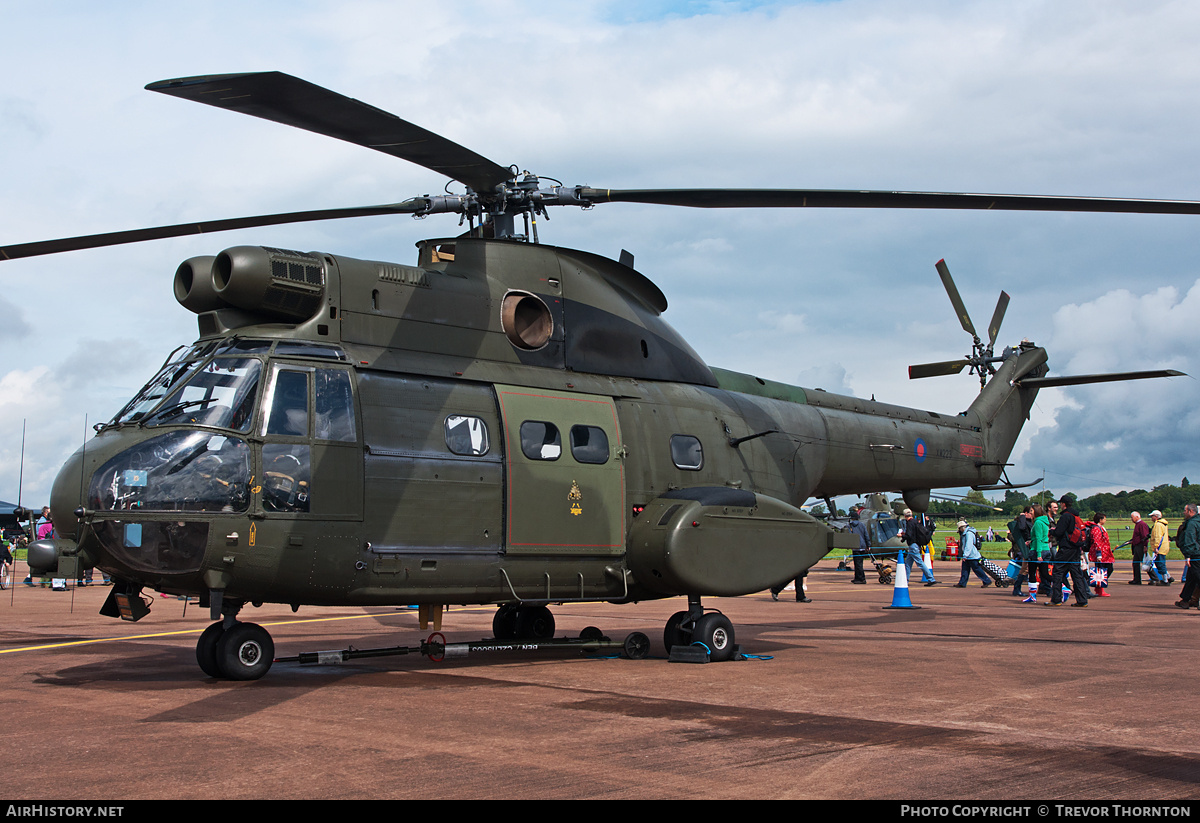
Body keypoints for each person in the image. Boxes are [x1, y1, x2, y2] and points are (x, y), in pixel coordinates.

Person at [1048, 495, 1089, 607]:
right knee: (1076, 574)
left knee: (1057, 572)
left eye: (1061, 504)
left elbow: (1059, 532)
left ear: (1064, 504)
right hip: (1075, 548)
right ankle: (1082, 600)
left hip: (1066, 548)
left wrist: (1052, 531)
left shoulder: (1065, 516)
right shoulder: (1076, 515)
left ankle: (1056, 599)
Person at [898, 508, 939, 586]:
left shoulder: (909, 523)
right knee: (908, 564)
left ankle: (931, 579)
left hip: (913, 546)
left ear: (905, 515)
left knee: (920, 563)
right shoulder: (915, 522)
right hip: (916, 545)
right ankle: (905, 580)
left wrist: (902, 536)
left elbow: (909, 535)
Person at [1174, 503, 1200, 609]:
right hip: (1197, 553)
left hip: (1195, 554)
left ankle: (1188, 599)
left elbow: (1190, 539)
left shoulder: (1192, 524)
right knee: (1191, 578)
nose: (1184, 513)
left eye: (1185, 511)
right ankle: (1186, 599)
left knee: (1197, 577)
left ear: (1190, 511)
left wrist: (1188, 555)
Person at [1024, 504, 1051, 603]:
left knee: (1032, 573)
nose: (1030, 513)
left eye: (1031, 511)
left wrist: (1039, 554)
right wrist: (1032, 542)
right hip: (1045, 548)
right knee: (1044, 574)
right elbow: (1041, 538)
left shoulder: (1038, 523)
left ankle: (1032, 596)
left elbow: (1039, 539)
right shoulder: (1044, 522)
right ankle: (1062, 586)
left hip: (1037, 551)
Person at [954, 520, 990, 587]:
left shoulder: (969, 534)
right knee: (965, 570)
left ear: (962, 528)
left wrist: (965, 555)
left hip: (972, 556)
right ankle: (962, 583)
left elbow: (969, 545)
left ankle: (986, 581)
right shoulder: (966, 533)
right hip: (968, 556)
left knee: (977, 569)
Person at [1009, 505, 1033, 597]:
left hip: (1031, 547)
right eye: (1030, 513)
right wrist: (1022, 517)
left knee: (1027, 569)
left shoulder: (1031, 522)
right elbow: (1022, 527)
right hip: (1027, 548)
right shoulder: (1022, 522)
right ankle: (1017, 588)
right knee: (1024, 569)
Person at [1088, 512, 1113, 597]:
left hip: (1105, 553)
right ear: (1100, 519)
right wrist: (1099, 554)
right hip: (1101, 554)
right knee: (1101, 571)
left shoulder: (1101, 528)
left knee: (1107, 569)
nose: (1105, 520)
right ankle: (1099, 588)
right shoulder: (1096, 529)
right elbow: (1097, 542)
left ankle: (1099, 587)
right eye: (1104, 519)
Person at [1148, 510, 1173, 586]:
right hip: (1163, 546)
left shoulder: (1158, 525)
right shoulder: (1163, 524)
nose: (1151, 518)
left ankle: (1165, 580)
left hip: (1160, 547)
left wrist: (1156, 546)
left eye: (1152, 516)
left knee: (1160, 563)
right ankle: (1168, 577)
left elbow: (1157, 536)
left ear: (1156, 516)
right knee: (1159, 563)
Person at [848, 506, 870, 584]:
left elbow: (849, 536)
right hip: (863, 546)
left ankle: (862, 578)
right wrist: (868, 545)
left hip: (855, 547)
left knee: (858, 564)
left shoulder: (850, 526)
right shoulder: (862, 525)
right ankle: (857, 577)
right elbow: (866, 535)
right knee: (859, 563)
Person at [1129, 512, 1151, 585]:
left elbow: (1145, 536)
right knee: (1135, 563)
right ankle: (1137, 579)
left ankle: (1154, 577)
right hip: (1137, 546)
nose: (1131, 519)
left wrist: (1145, 546)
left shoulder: (1142, 524)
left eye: (1132, 517)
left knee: (1145, 563)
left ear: (1137, 517)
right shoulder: (1138, 524)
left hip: (1141, 546)